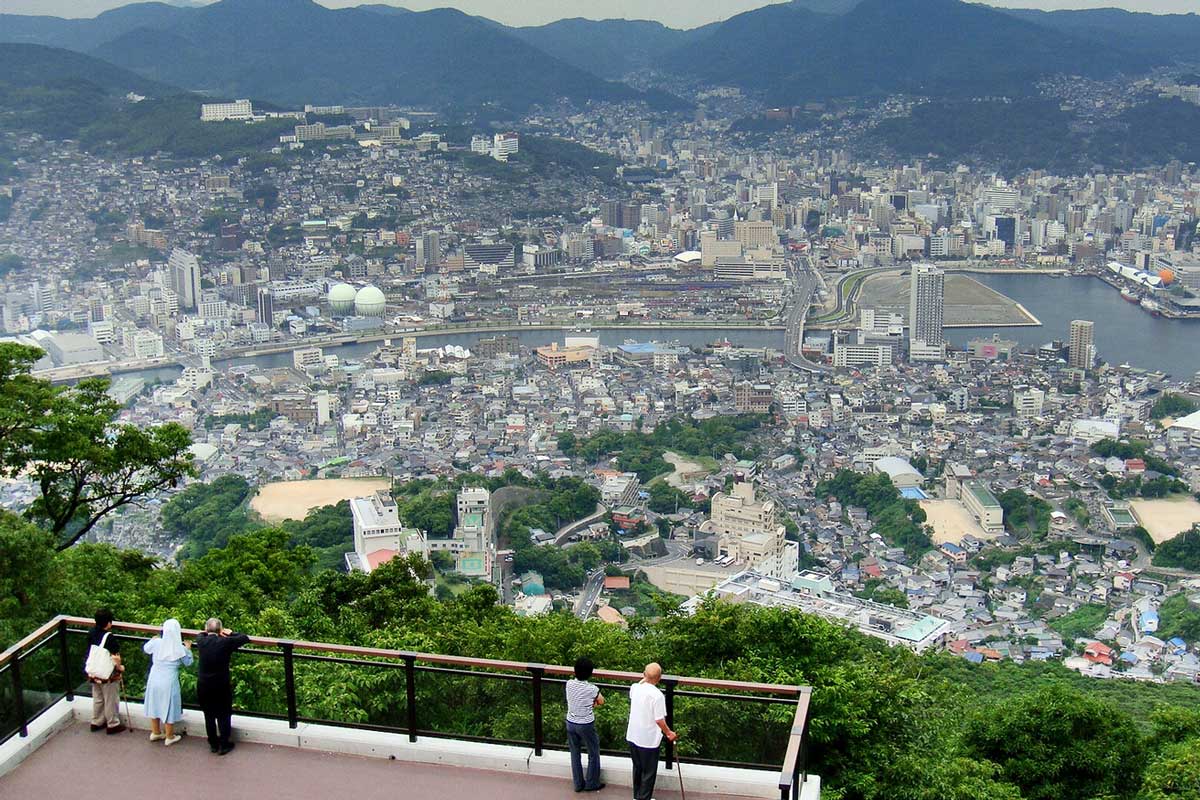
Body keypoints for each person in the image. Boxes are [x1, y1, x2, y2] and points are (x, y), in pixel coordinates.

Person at [194, 617, 250, 755]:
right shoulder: (226, 642)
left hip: (203, 684)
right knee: (224, 714)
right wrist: (230, 633)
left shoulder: (201, 641)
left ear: (207, 629)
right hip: (221, 684)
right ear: (220, 629)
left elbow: (200, 634)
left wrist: (211, 632)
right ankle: (224, 744)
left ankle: (213, 743)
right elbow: (244, 638)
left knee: (209, 715)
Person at [625, 663, 677, 800]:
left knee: (637, 768)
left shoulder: (635, 688)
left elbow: (640, 682)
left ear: (644, 674)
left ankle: (637, 796)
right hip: (648, 740)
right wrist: (669, 733)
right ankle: (644, 798)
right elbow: (659, 720)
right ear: (659, 678)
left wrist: (645, 677)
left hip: (633, 735)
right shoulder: (657, 695)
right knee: (648, 772)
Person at [142, 619, 193, 746]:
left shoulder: (157, 643)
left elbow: (146, 649)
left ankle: (156, 732)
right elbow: (188, 662)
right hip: (169, 680)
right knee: (168, 705)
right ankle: (169, 736)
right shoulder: (179, 649)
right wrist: (188, 649)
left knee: (154, 702)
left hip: (154, 677)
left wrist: (153, 639)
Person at [565, 656, 605, 793]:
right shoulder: (592, 689)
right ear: (590, 673)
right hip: (586, 724)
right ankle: (592, 783)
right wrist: (593, 703)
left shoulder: (569, 684)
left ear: (575, 671)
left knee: (574, 753)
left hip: (570, 721)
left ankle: (578, 784)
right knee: (593, 752)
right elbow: (601, 701)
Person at [85, 609, 126, 734]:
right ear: (108, 623)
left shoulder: (91, 632)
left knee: (98, 697)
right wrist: (120, 668)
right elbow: (115, 657)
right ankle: (112, 723)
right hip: (107, 674)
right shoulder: (109, 637)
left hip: (94, 670)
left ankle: (96, 721)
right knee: (110, 698)